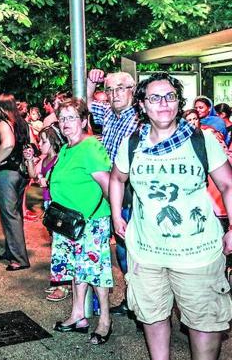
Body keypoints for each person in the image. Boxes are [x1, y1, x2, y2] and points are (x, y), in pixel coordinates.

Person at [110, 73, 232, 359]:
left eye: (170, 96)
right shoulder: (133, 144)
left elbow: (228, 184)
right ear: (141, 104)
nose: (163, 103)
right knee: (152, 316)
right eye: (154, 97)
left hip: (197, 254)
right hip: (148, 254)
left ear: (178, 103)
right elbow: (117, 179)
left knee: (204, 322)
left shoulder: (202, 141)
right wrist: (117, 215)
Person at [50, 98, 113, 345]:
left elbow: (108, 186)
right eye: (62, 118)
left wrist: (116, 219)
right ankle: (78, 315)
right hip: (67, 223)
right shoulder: (66, 148)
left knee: (97, 273)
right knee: (77, 270)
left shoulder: (90, 147)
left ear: (84, 121)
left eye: (71, 118)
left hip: (90, 222)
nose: (65, 123)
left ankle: (105, 320)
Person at [86, 68, 140, 316]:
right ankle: (131, 299)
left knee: (129, 245)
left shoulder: (140, 118)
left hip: (129, 190)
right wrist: (89, 82)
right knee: (118, 245)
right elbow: (87, 104)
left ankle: (139, 301)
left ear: (132, 90)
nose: (114, 94)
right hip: (107, 187)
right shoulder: (108, 113)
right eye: (109, 89)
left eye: (120, 88)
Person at [23, 125, 70, 302]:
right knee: (55, 243)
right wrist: (29, 160)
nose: (40, 144)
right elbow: (33, 175)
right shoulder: (45, 158)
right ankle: (61, 282)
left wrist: (47, 182)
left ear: (53, 141)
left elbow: (58, 181)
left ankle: (63, 285)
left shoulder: (60, 158)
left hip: (59, 205)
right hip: (49, 205)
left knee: (61, 245)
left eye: (43, 141)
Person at [0, 93, 31, 271]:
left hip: (7, 173)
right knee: (15, 214)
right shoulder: (22, 122)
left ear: (0, 106)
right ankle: (11, 250)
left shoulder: (3, 122)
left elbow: (7, 144)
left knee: (9, 214)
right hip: (21, 173)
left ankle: (19, 258)